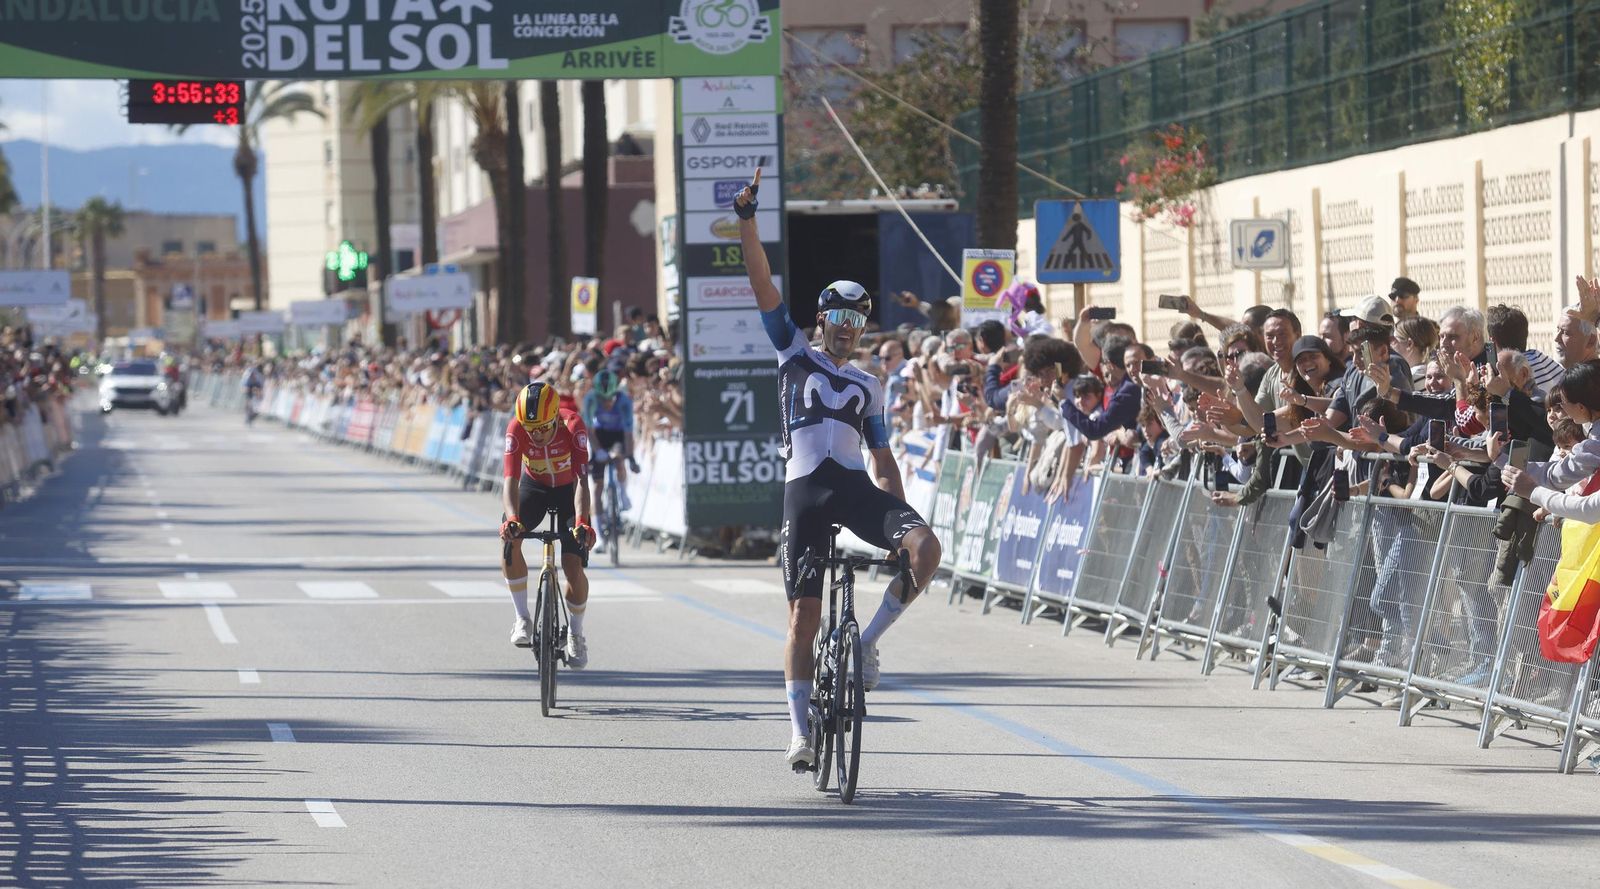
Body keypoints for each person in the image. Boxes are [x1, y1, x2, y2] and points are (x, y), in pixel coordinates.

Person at [734, 170, 943, 770]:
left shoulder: (869, 384)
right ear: (822, 322)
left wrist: (904, 527)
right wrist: (748, 222)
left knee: (928, 549)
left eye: (857, 326)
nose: (847, 334)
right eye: (838, 323)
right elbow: (761, 283)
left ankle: (868, 646)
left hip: (851, 489)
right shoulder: (792, 352)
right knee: (804, 619)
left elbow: (882, 462)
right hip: (804, 492)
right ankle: (799, 733)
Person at [499, 381, 597, 669]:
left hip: (570, 491)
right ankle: (522, 618)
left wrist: (581, 522)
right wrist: (513, 519)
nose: (538, 434)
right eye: (532, 429)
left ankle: (576, 634)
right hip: (535, 488)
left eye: (543, 427)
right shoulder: (516, 428)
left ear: (555, 417)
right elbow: (510, 481)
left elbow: (582, 481)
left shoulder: (573, 426)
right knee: (509, 540)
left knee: (572, 565)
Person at [581, 368, 640, 535]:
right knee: (597, 487)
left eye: (610, 399)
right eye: (602, 399)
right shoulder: (591, 398)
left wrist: (631, 457)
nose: (606, 402)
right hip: (598, 435)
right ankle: (599, 534)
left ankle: (622, 493)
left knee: (619, 456)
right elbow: (589, 430)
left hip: (617, 435)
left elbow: (628, 433)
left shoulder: (624, 401)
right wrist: (597, 450)